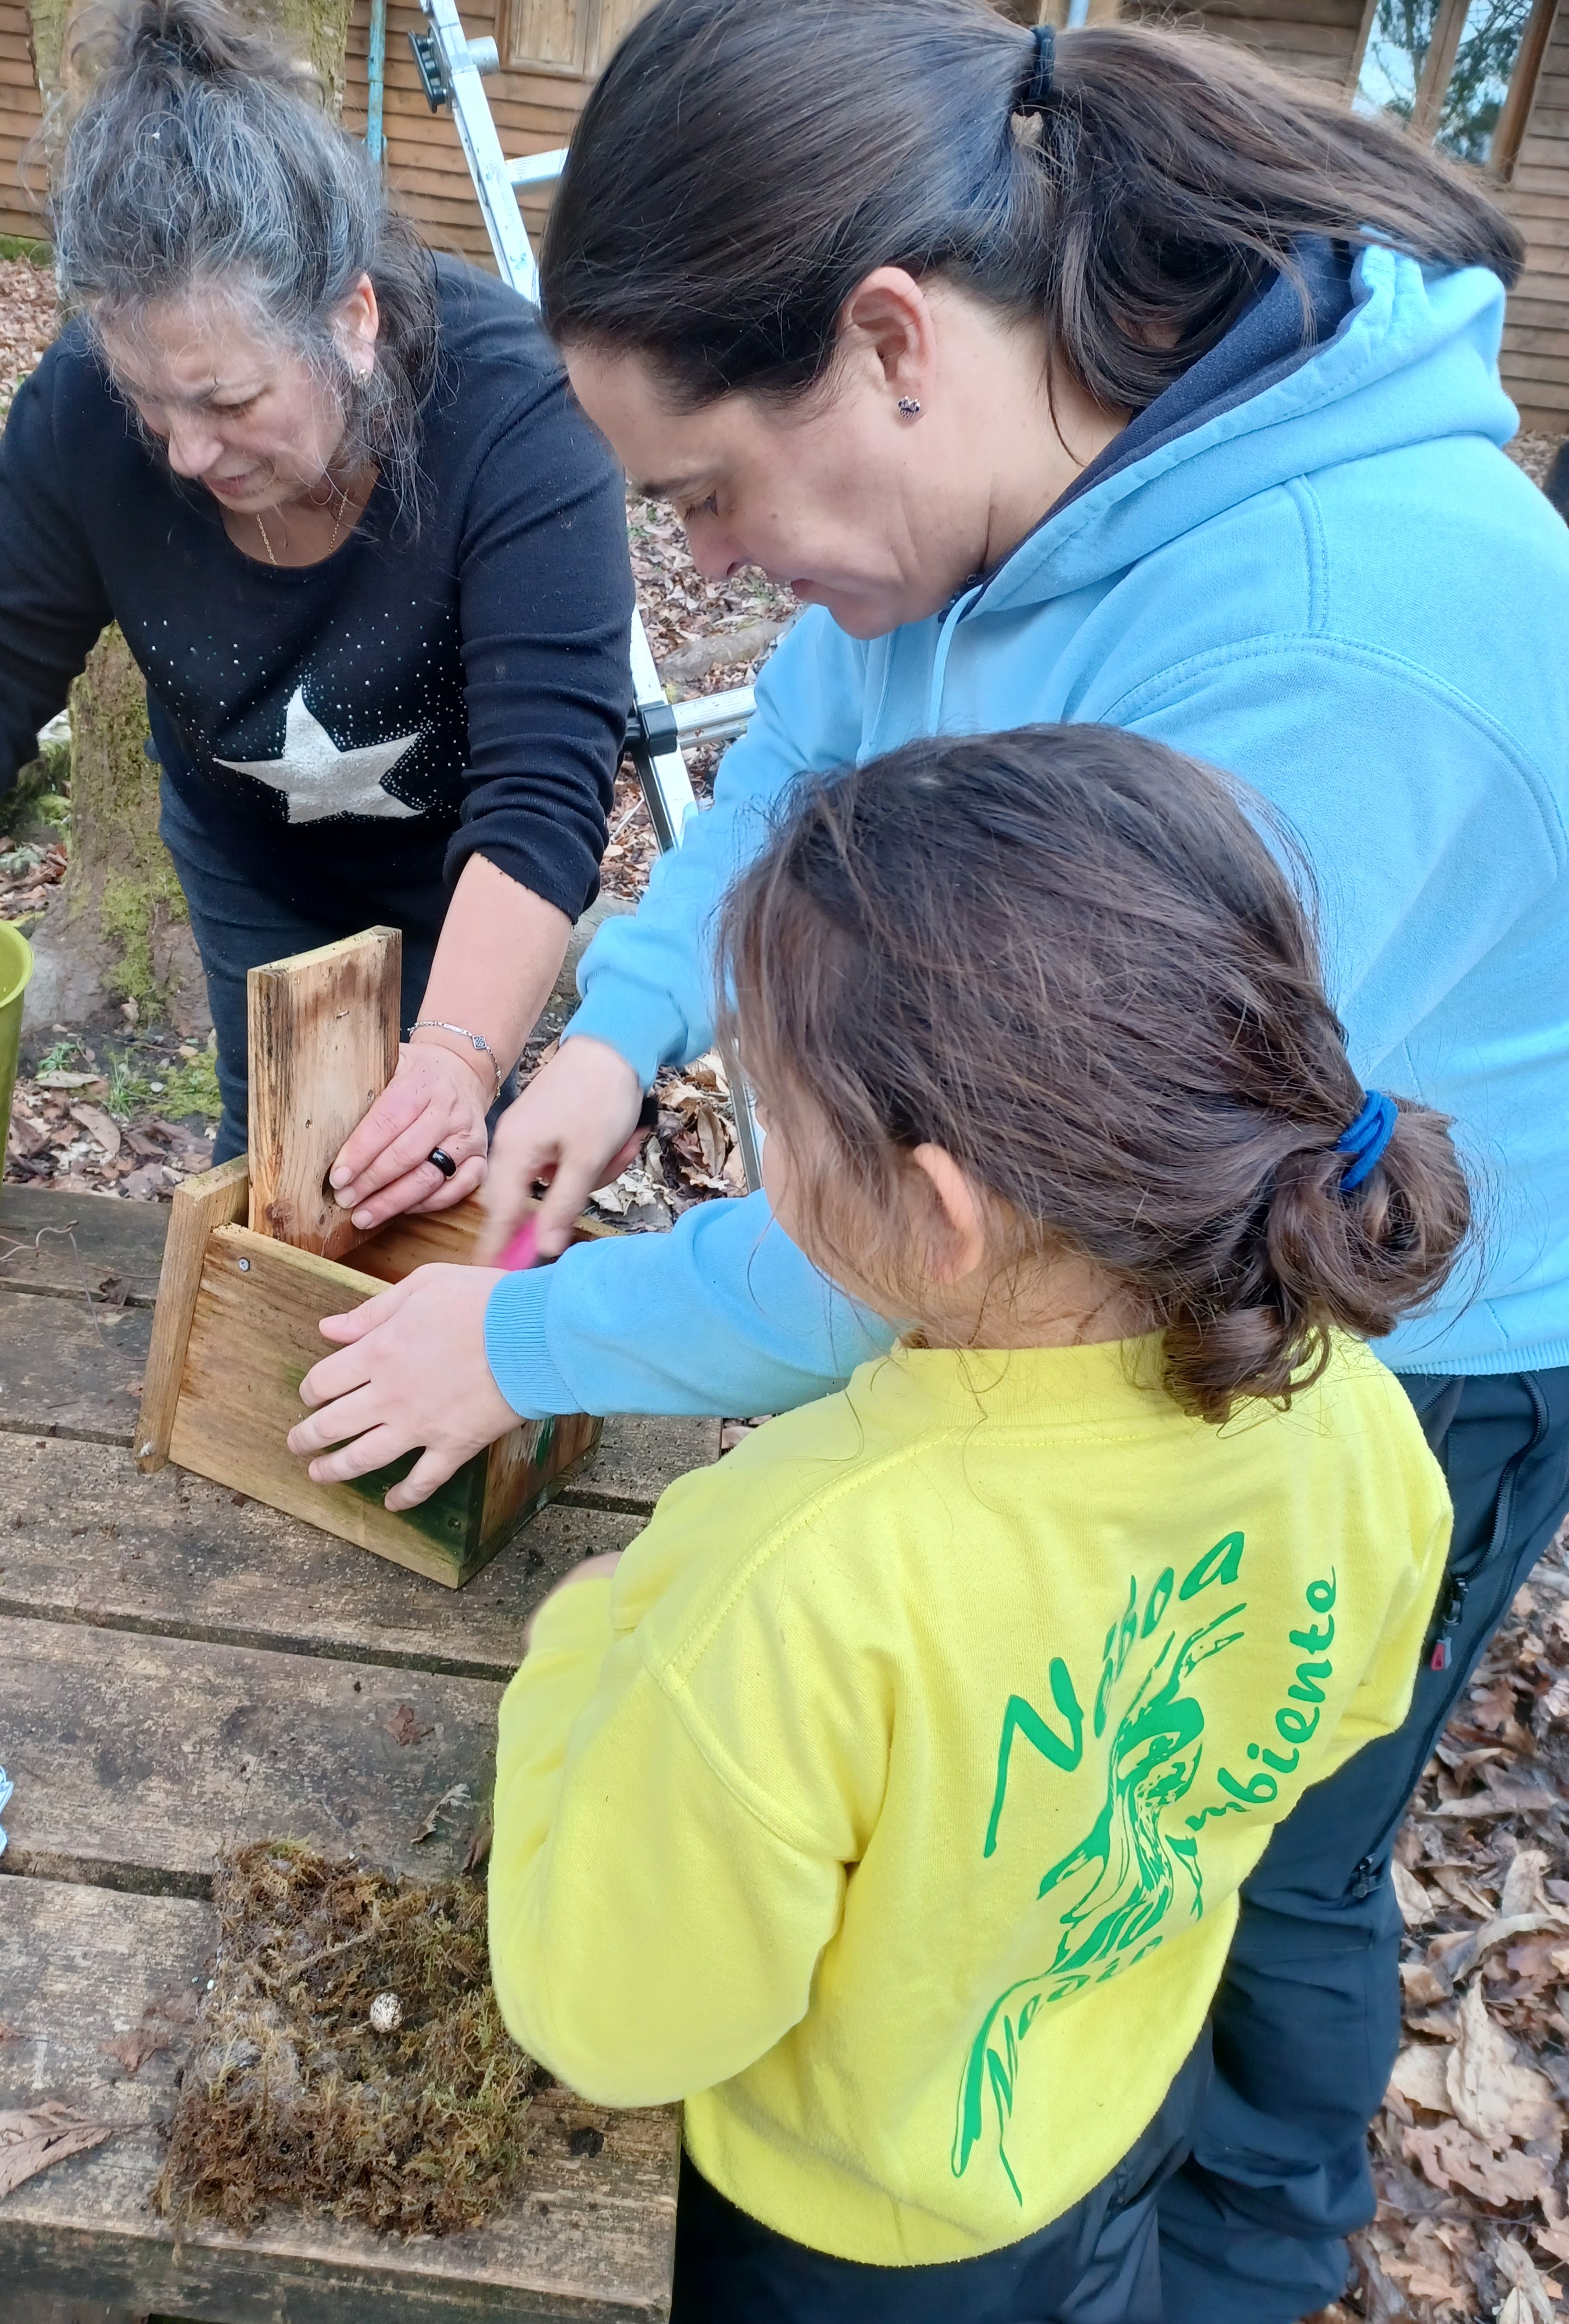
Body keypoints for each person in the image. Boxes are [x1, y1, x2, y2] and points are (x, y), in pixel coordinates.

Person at [285, 3, 1569, 2314]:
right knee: (1093, 1819)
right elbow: (822, 728)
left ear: (890, 341)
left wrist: (531, 1335)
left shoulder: (1311, 650)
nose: (725, 561)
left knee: (1245, 1835)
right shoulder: (997, 484)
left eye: (705, 495)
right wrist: (626, 1023)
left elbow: (955, 1232)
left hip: (1404, 1318)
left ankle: (1235, 2240)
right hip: (1132, 1267)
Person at [489, 726, 1466, 2324]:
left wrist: (580, 1651)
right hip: (1119, 2099)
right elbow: (1332, 1714)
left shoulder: (794, 1577)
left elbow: (614, 2020)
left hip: (849, 2231)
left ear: (939, 1216)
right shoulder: (1349, 1410)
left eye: (772, 1124)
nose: (762, 1161)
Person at [0, 0, 634, 1213]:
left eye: (230, 401)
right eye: (152, 403)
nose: (188, 452)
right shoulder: (86, 415)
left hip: (474, 872)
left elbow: (545, 792)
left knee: (442, 1176)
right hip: (250, 849)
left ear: (352, 321)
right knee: (278, 1170)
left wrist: (458, 1059)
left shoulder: (516, 419)